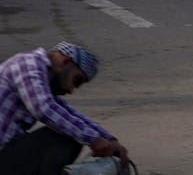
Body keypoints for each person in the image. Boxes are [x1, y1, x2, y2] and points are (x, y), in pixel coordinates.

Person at [0, 41, 130, 174]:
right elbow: (44, 108)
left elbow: (70, 113)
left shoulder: (41, 76)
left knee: (72, 130)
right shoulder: (28, 63)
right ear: (65, 62)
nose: (71, 90)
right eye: (76, 81)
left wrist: (109, 139)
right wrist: (93, 140)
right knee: (64, 137)